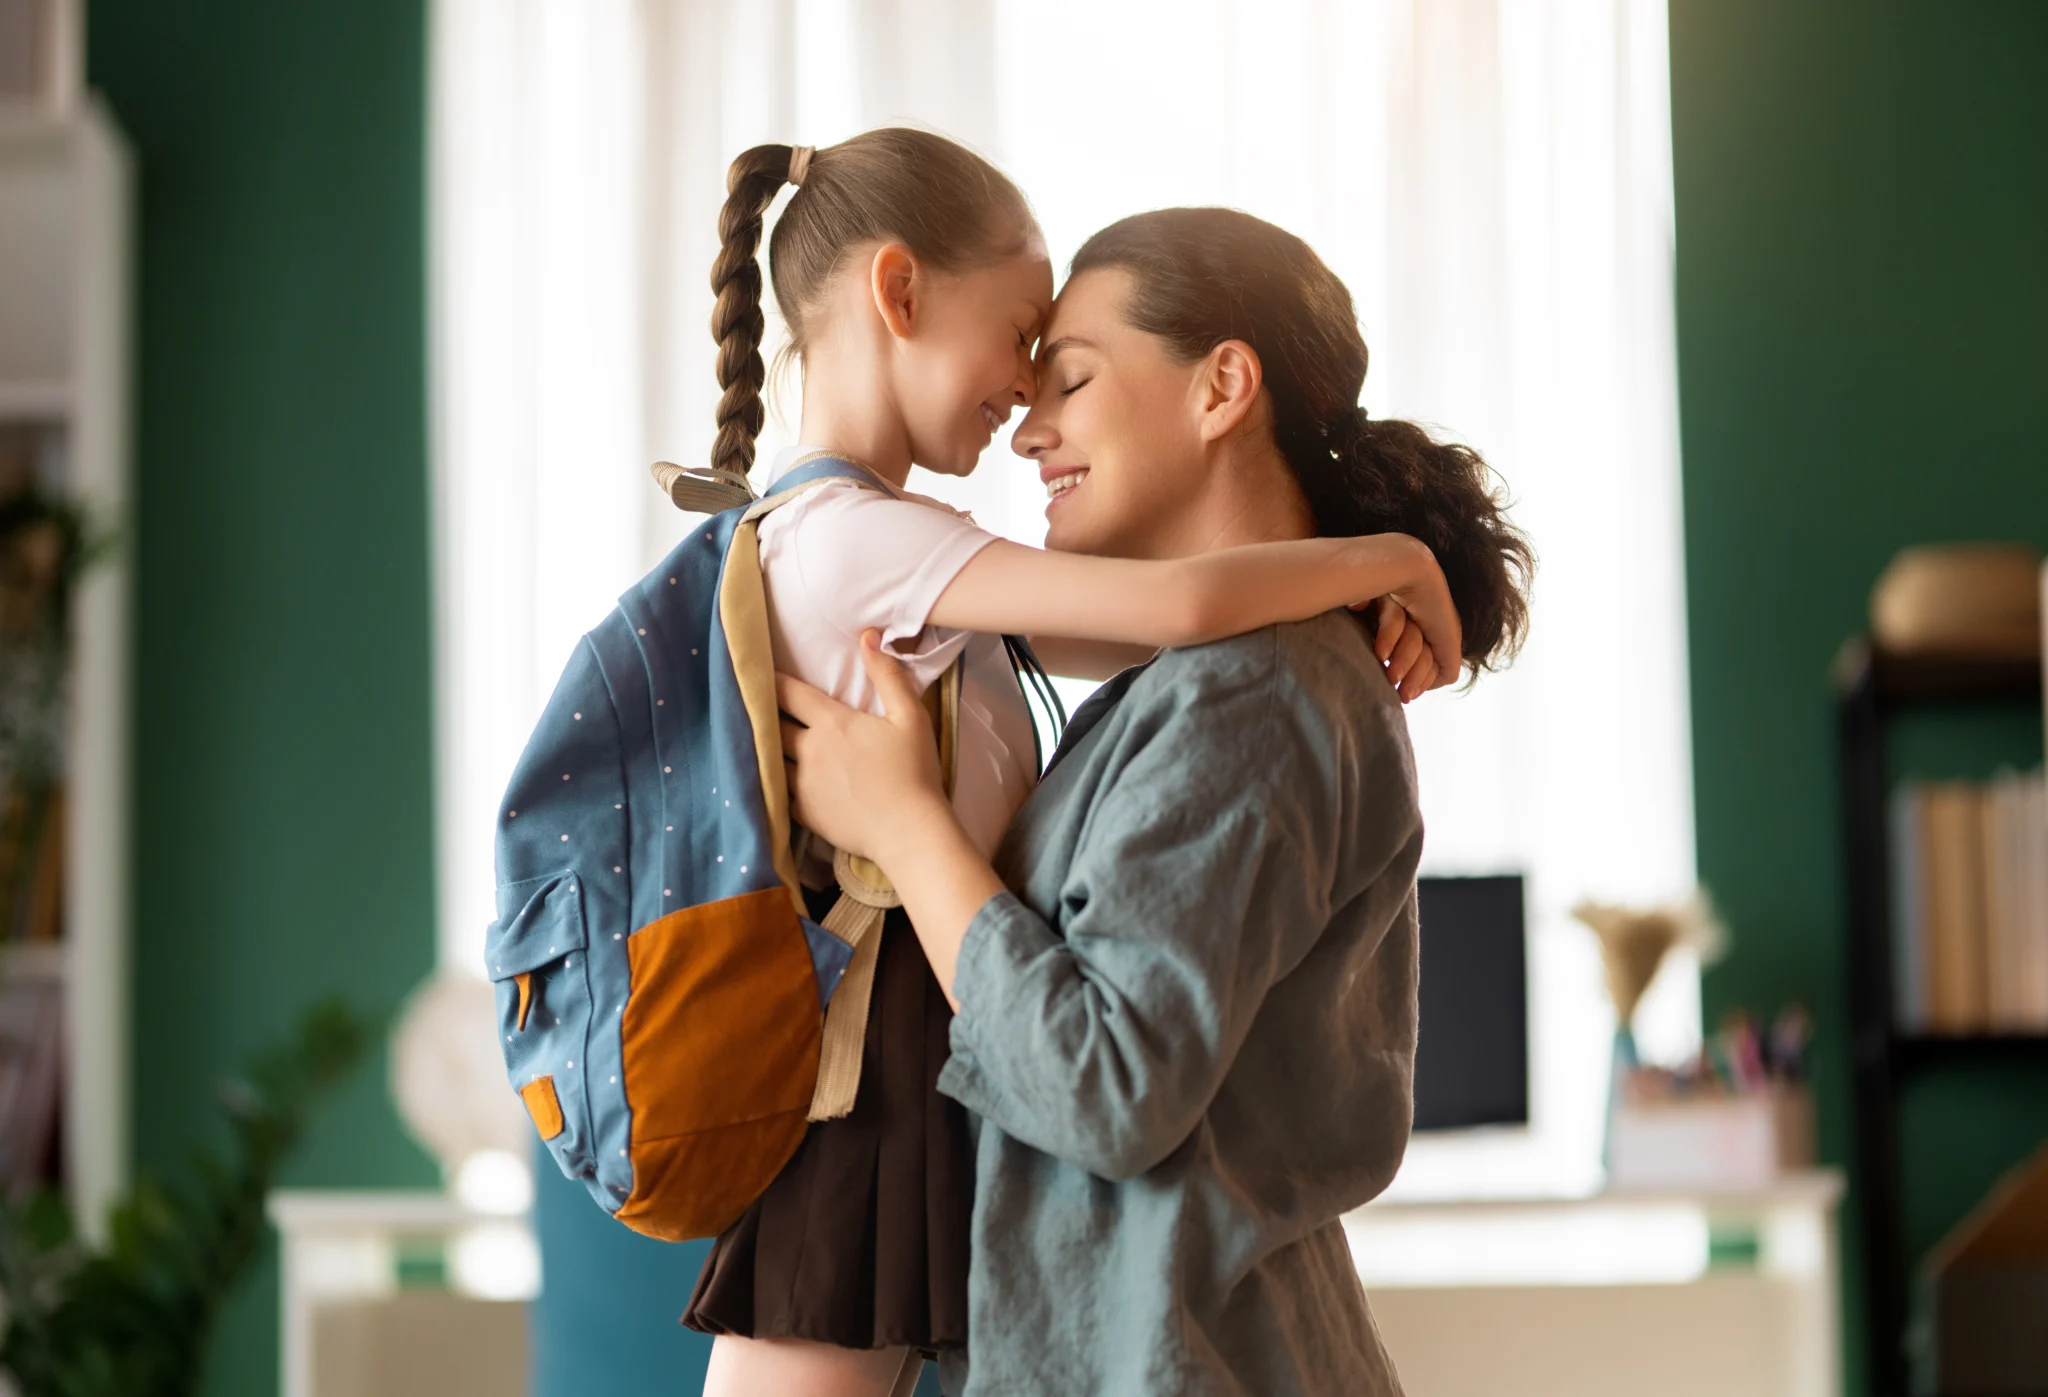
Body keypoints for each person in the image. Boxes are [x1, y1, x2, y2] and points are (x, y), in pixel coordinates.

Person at [685, 135, 1467, 1397]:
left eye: (1072, 378)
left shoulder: (1256, 696)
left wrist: (907, 826)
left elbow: (1106, 1085)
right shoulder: (1194, 678)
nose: (1026, 429)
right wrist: (1383, 558)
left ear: (1221, 388)